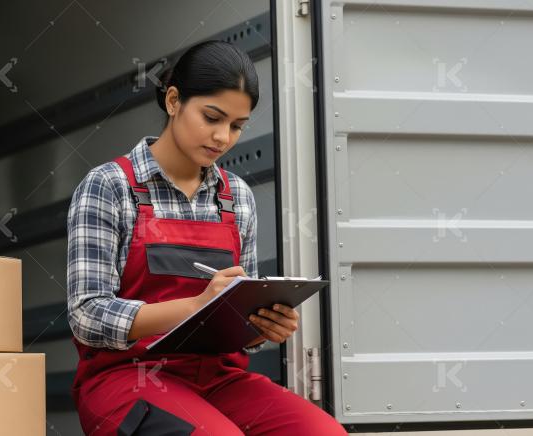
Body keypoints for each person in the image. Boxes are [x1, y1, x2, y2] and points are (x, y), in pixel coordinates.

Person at [66, 40, 347, 435]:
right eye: (211, 117)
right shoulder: (110, 186)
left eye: (236, 126)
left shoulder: (237, 198)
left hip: (217, 379)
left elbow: (233, 321)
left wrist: (261, 326)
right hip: (128, 379)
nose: (223, 138)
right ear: (174, 100)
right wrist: (197, 305)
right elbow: (87, 316)